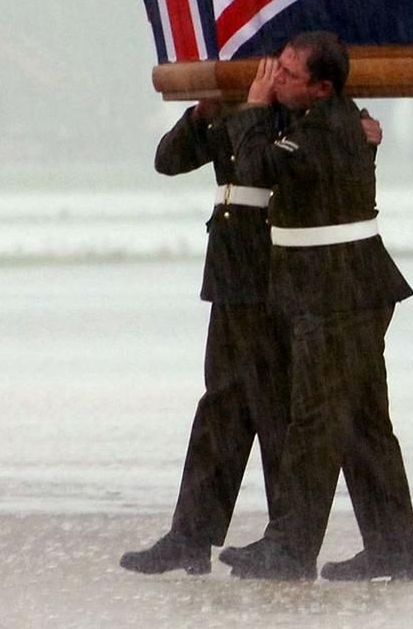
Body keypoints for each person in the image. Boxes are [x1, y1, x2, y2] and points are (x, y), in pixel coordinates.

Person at [218, 31, 413, 582]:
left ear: (323, 87)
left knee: (314, 425)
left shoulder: (328, 131)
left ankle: (290, 548)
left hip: (338, 295)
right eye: (276, 68)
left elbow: (256, 167)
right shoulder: (332, 122)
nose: (273, 77)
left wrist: (254, 110)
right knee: (363, 425)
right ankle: (394, 548)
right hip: (343, 289)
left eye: (287, 73)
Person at [117, 98, 288, 575]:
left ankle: (288, 538)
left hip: (274, 268)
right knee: (223, 406)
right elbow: (168, 160)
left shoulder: (292, 108)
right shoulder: (230, 107)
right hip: (232, 270)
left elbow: (270, 168)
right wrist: (201, 113)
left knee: (276, 408)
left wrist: (254, 108)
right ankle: (192, 534)